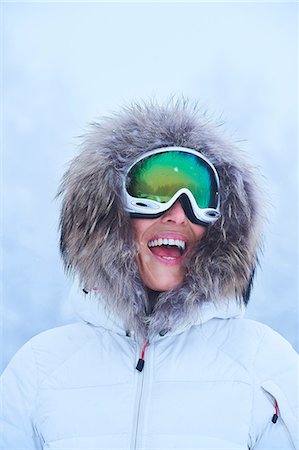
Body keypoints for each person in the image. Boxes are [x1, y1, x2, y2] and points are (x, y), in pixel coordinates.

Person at [1, 99, 298, 450]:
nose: (177, 214)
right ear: (109, 213)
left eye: (198, 196)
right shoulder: (39, 368)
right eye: (153, 193)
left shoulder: (263, 362)